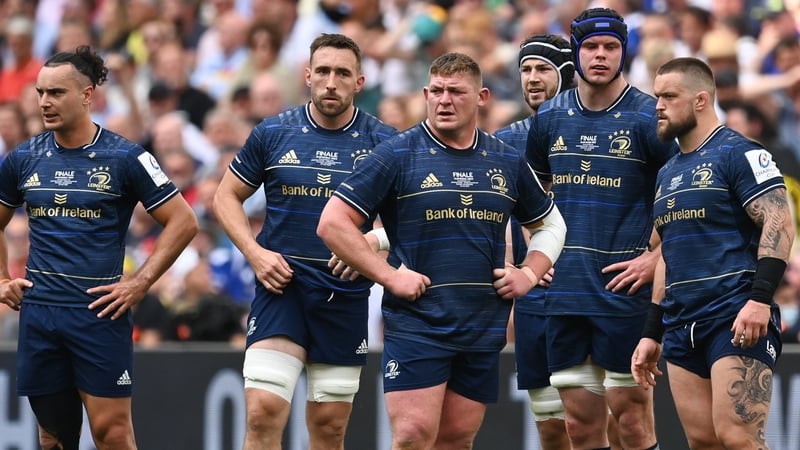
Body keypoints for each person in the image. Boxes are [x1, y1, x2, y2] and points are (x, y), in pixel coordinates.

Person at [317, 51, 567, 450]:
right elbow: (332, 223)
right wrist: (389, 277)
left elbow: (550, 224)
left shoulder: (505, 159)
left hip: (481, 327)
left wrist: (529, 273)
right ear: (425, 95)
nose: (444, 100)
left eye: (456, 92)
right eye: (436, 91)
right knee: (413, 437)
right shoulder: (397, 154)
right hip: (418, 325)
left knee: (456, 440)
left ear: (482, 97)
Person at [0, 45, 198, 450]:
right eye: (40, 92)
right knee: (53, 438)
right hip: (40, 314)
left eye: (56, 92)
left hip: (98, 313)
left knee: (112, 434)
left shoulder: (126, 157)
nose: (44, 102)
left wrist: (140, 282)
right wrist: (2, 279)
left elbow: (184, 221)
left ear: (87, 94)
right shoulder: (24, 158)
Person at [212, 33, 397, 450]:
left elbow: (412, 222)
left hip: (344, 294)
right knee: (262, 413)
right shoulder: (273, 132)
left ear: (360, 81)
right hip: (283, 288)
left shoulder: (384, 142)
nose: (332, 82)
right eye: (324, 71)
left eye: (343, 73)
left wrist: (374, 241)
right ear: (308, 75)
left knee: (329, 428)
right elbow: (225, 197)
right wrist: (255, 253)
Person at [525, 7, 679, 450]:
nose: (600, 55)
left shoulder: (649, 117)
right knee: (579, 426)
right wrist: (538, 254)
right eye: (591, 46)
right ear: (576, 52)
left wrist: (655, 258)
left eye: (611, 47)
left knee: (631, 421)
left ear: (623, 53)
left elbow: (685, 197)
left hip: (623, 290)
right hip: (567, 291)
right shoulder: (549, 117)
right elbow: (531, 196)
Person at [632, 56, 795, 450]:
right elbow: (667, 253)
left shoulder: (739, 153)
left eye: (669, 96)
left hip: (734, 315)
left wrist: (759, 300)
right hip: (681, 322)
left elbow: (779, 223)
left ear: (701, 100)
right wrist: (652, 332)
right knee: (703, 442)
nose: (658, 106)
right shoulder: (667, 172)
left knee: (738, 437)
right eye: (657, 97)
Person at [493, 33, 575, 450]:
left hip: (593, 289)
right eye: (525, 69)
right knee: (551, 425)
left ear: (567, 73)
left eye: (543, 68)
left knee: (610, 420)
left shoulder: (598, 131)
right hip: (535, 296)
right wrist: (516, 267)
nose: (532, 78)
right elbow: (494, 217)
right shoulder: (504, 141)